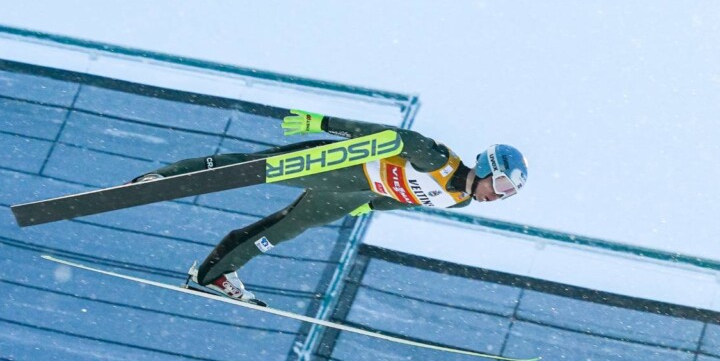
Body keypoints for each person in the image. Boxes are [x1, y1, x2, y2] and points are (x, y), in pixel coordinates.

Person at [131, 110, 528, 306]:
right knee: (253, 168)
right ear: (487, 167)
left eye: (507, 194)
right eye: (502, 185)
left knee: (283, 229)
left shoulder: (459, 201)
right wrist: (322, 124)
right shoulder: (436, 158)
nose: (499, 196)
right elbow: (388, 136)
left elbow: (406, 199)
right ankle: (162, 177)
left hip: (353, 195)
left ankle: (212, 273)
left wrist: (371, 206)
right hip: (344, 167)